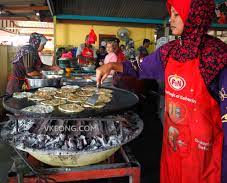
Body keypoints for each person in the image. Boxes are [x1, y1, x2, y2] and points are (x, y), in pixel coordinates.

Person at [96, 0, 227, 182]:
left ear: (195, 16)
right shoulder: (169, 51)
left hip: (204, 153)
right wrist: (111, 65)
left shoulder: (216, 56)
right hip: (173, 143)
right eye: (171, 14)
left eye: (177, 14)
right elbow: (140, 68)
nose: (171, 20)